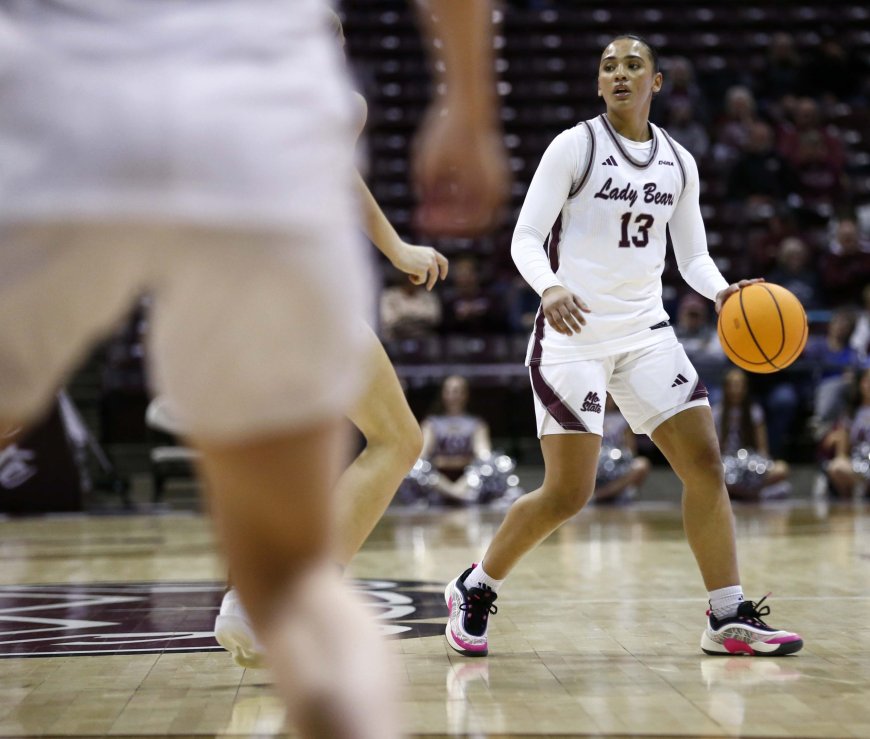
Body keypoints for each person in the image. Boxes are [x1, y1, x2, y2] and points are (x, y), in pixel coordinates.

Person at [0, 2, 508, 738]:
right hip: (249, 116)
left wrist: (396, 248)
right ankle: (270, 607)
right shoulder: (327, 87)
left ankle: (261, 599)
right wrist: (466, 101)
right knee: (363, 480)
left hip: (61, 88)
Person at [444, 34, 802, 660]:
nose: (620, 74)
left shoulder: (678, 162)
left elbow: (691, 256)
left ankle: (726, 615)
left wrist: (723, 293)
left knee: (706, 466)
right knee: (568, 493)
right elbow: (525, 237)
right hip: (572, 336)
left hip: (644, 333)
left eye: (634, 65)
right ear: (598, 82)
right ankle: (476, 585)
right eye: (608, 66)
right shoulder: (575, 146)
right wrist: (550, 287)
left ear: (656, 83)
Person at [713, 369, 791, 501]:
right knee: (713, 475)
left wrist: (761, 466)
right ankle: (755, 494)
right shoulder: (716, 413)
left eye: (739, 385)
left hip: (751, 464)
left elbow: (762, 450)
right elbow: (715, 450)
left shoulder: (754, 411)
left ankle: (742, 493)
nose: (735, 389)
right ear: (725, 387)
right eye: (732, 385)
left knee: (782, 468)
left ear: (745, 388)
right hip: (727, 464)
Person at [821, 367, 870, 499]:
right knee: (837, 467)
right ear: (860, 384)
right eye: (866, 380)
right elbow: (841, 454)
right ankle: (851, 500)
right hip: (859, 463)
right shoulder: (851, 413)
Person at [594, 394, 650, 504]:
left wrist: (620, 460)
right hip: (594, 465)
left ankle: (599, 495)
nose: (606, 400)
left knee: (642, 464)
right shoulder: (590, 417)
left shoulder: (623, 420)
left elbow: (631, 450)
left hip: (616, 465)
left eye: (609, 397)